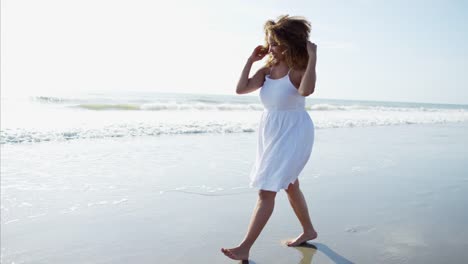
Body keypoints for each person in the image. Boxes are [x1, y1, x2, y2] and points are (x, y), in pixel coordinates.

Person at [221, 15, 318, 261]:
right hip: (271, 131)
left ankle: (245, 246)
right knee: (290, 184)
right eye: (270, 42)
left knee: (267, 191)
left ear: (289, 44)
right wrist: (249, 61)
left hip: (294, 132)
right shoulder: (266, 70)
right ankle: (309, 230)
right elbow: (241, 89)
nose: (270, 47)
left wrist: (313, 58)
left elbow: (307, 91)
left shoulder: (298, 71)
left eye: (275, 42)